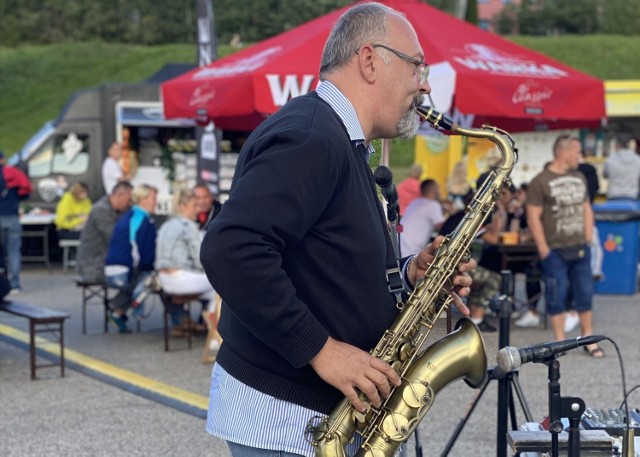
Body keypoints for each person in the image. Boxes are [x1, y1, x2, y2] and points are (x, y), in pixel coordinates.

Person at [199, 4, 475, 456]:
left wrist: (408, 274)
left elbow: (324, 262)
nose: (424, 84)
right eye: (417, 66)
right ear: (369, 60)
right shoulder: (312, 137)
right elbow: (232, 249)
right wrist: (323, 351)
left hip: (313, 415)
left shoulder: (335, 138)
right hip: (289, 419)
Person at [526, 134, 604, 358]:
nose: (580, 156)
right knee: (556, 294)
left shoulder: (579, 177)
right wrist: (543, 248)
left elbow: (586, 207)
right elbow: (533, 217)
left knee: (585, 293)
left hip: (580, 246)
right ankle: (560, 342)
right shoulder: (540, 181)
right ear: (563, 152)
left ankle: (588, 339)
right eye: (576, 151)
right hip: (555, 250)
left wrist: (588, 236)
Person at [155, 189, 216, 338]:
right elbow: (199, 260)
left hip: (164, 279)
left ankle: (196, 323)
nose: (197, 209)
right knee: (221, 285)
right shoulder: (187, 226)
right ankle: (214, 333)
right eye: (194, 205)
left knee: (210, 289)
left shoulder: (166, 225)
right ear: (182, 206)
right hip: (180, 278)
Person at [104, 184, 158, 333]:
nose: (156, 202)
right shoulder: (139, 217)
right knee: (150, 280)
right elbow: (134, 247)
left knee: (144, 277)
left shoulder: (132, 215)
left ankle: (117, 311)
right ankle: (134, 309)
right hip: (122, 269)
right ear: (143, 199)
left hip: (115, 267)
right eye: (153, 198)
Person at [76, 181, 133, 284]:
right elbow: (115, 238)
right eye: (129, 200)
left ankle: (124, 300)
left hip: (105, 262)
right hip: (93, 266)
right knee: (136, 276)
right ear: (120, 196)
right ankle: (121, 301)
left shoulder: (117, 210)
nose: (130, 204)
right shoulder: (101, 210)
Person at [0, 151, 32, 295]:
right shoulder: (14, 173)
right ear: (3, 159)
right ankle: (15, 284)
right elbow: (26, 190)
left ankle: (2, 282)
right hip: (12, 217)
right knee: (13, 251)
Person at [400, 178, 445, 256]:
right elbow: (443, 227)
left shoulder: (415, 203)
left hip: (400, 247)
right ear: (434, 190)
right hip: (412, 251)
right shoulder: (433, 205)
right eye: (438, 189)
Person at [603, 133, 640, 200]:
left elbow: (605, 175)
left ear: (617, 145)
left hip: (613, 196)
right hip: (632, 197)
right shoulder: (638, 160)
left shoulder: (611, 160)